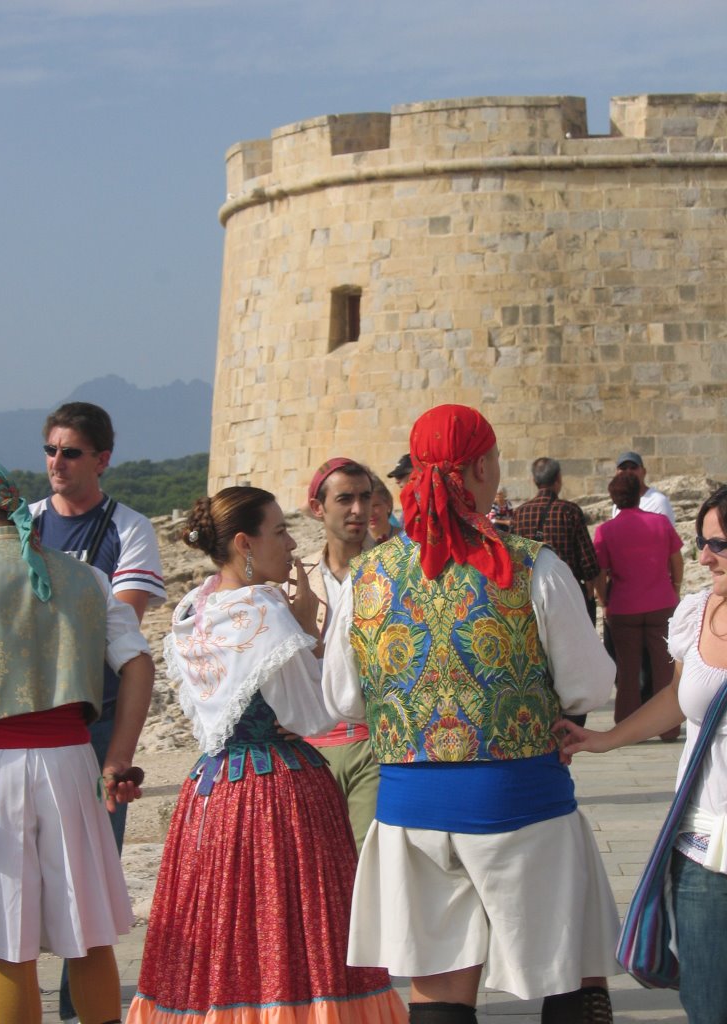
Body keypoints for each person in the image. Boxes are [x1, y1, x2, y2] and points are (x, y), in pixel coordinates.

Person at [322, 405, 621, 1024]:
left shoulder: (366, 577)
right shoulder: (532, 566)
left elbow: (344, 701)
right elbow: (590, 685)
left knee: (438, 987)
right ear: (483, 465)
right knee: (567, 969)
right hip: (521, 804)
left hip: (411, 814)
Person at [125, 486, 406, 1024]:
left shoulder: (196, 607)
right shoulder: (266, 613)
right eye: (278, 531)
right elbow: (319, 713)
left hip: (212, 789)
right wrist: (310, 632)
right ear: (243, 543)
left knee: (225, 927)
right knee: (292, 925)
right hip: (278, 788)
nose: (291, 542)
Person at [0, 402, 168, 1024]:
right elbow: (137, 663)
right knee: (89, 934)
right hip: (75, 762)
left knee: (6, 943)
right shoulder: (84, 579)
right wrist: (119, 756)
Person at [559, 484, 727, 1024]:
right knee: (707, 1003)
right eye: (702, 542)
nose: (703, 557)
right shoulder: (697, 613)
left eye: (719, 545)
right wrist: (604, 740)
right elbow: (679, 698)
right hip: (705, 847)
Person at [303, 458, 381, 852]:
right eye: (345, 499)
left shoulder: (395, 571)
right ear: (318, 507)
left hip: (375, 744)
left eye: (365, 498)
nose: (358, 510)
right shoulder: (295, 580)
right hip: (312, 749)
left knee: (368, 863)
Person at [593, 470, 683, 739]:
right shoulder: (660, 523)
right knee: (665, 669)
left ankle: (626, 728)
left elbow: (600, 572)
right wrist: (675, 588)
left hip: (623, 606)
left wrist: (604, 600)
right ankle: (669, 728)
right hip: (661, 603)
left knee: (628, 671)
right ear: (638, 495)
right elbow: (677, 560)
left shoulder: (605, 531)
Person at [510, 457, 600, 623]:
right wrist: (588, 588)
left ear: (534, 481)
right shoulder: (570, 511)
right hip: (566, 593)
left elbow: (513, 556)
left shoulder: (519, 514)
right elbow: (588, 561)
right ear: (558, 478)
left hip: (532, 595)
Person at [612, 451, 676, 525]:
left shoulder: (658, 502)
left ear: (644, 472)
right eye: (623, 468)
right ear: (616, 473)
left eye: (633, 468)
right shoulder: (617, 504)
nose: (628, 472)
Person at [369, 475, 399, 545]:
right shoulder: (354, 546)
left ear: (388, 504)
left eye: (375, 505)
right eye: (365, 507)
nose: (370, 513)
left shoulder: (407, 539)